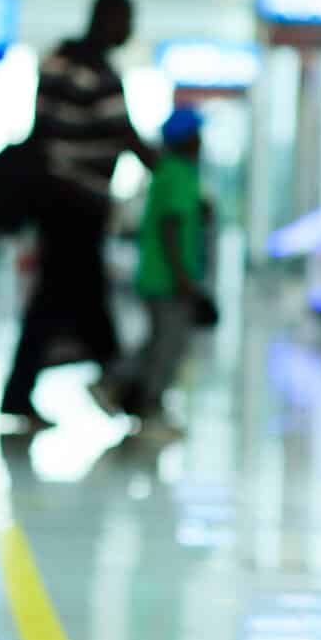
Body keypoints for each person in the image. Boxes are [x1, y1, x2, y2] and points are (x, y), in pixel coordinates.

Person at [0, 0, 156, 429]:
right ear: (106, 19)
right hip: (76, 202)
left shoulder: (57, 61)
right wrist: (172, 175)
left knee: (65, 295)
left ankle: (105, 386)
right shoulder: (97, 72)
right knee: (78, 294)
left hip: (55, 199)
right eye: (125, 19)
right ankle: (121, 389)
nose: (129, 30)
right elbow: (123, 132)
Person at [97, 106, 208, 430]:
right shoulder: (176, 172)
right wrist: (182, 276)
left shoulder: (174, 171)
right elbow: (170, 226)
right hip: (168, 277)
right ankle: (147, 403)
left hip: (163, 275)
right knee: (168, 345)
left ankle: (123, 389)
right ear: (187, 139)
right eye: (197, 135)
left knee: (159, 340)